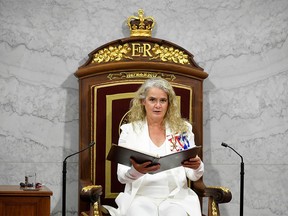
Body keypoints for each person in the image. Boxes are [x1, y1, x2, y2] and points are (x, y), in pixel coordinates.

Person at [105, 77, 204, 216]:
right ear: (143, 101)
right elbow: (121, 176)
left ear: (169, 103)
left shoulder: (183, 129)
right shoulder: (129, 131)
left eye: (163, 100)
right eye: (152, 100)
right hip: (140, 197)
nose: (158, 105)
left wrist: (197, 166)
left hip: (176, 198)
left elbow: (193, 176)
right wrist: (137, 171)